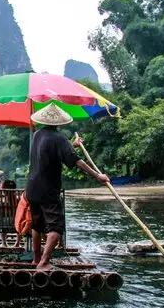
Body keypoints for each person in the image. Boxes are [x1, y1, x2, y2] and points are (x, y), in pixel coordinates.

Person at [23, 103, 110, 271]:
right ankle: (44, 263)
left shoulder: (37, 135)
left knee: (37, 225)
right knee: (56, 227)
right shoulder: (59, 138)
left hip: (32, 187)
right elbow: (76, 161)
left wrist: (73, 145)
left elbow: (56, 150)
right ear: (59, 122)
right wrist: (98, 176)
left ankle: (36, 259)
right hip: (48, 189)